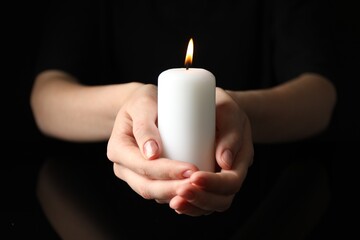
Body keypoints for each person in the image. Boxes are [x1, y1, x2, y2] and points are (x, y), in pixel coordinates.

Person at [30, 0, 338, 239]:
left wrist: (235, 110)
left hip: (259, 195)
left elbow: (320, 96)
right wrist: (129, 104)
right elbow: (45, 100)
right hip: (104, 202)